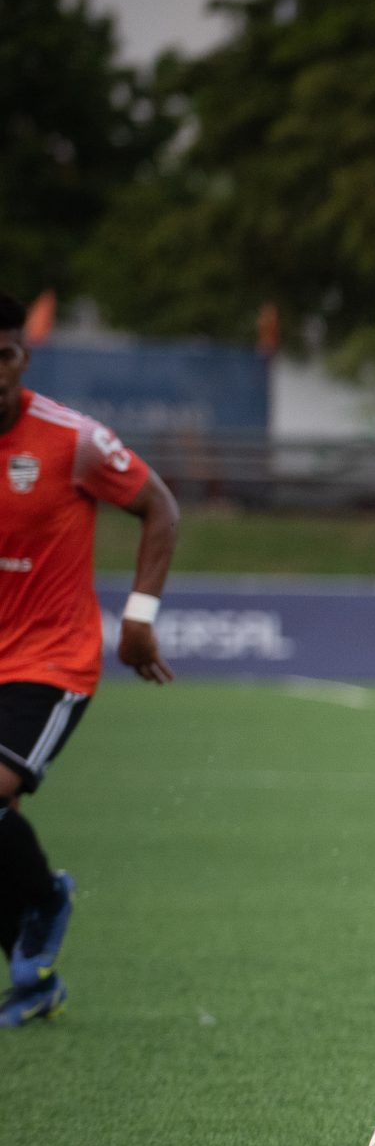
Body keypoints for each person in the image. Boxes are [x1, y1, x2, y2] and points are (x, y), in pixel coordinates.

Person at [0, 293, 181, 1025]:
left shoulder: (70, 439)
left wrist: (138, 618)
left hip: (50, 660)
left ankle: (44, 902)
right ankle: (34, 972)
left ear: (24, 357)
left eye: (4, 356)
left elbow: (159, 506)